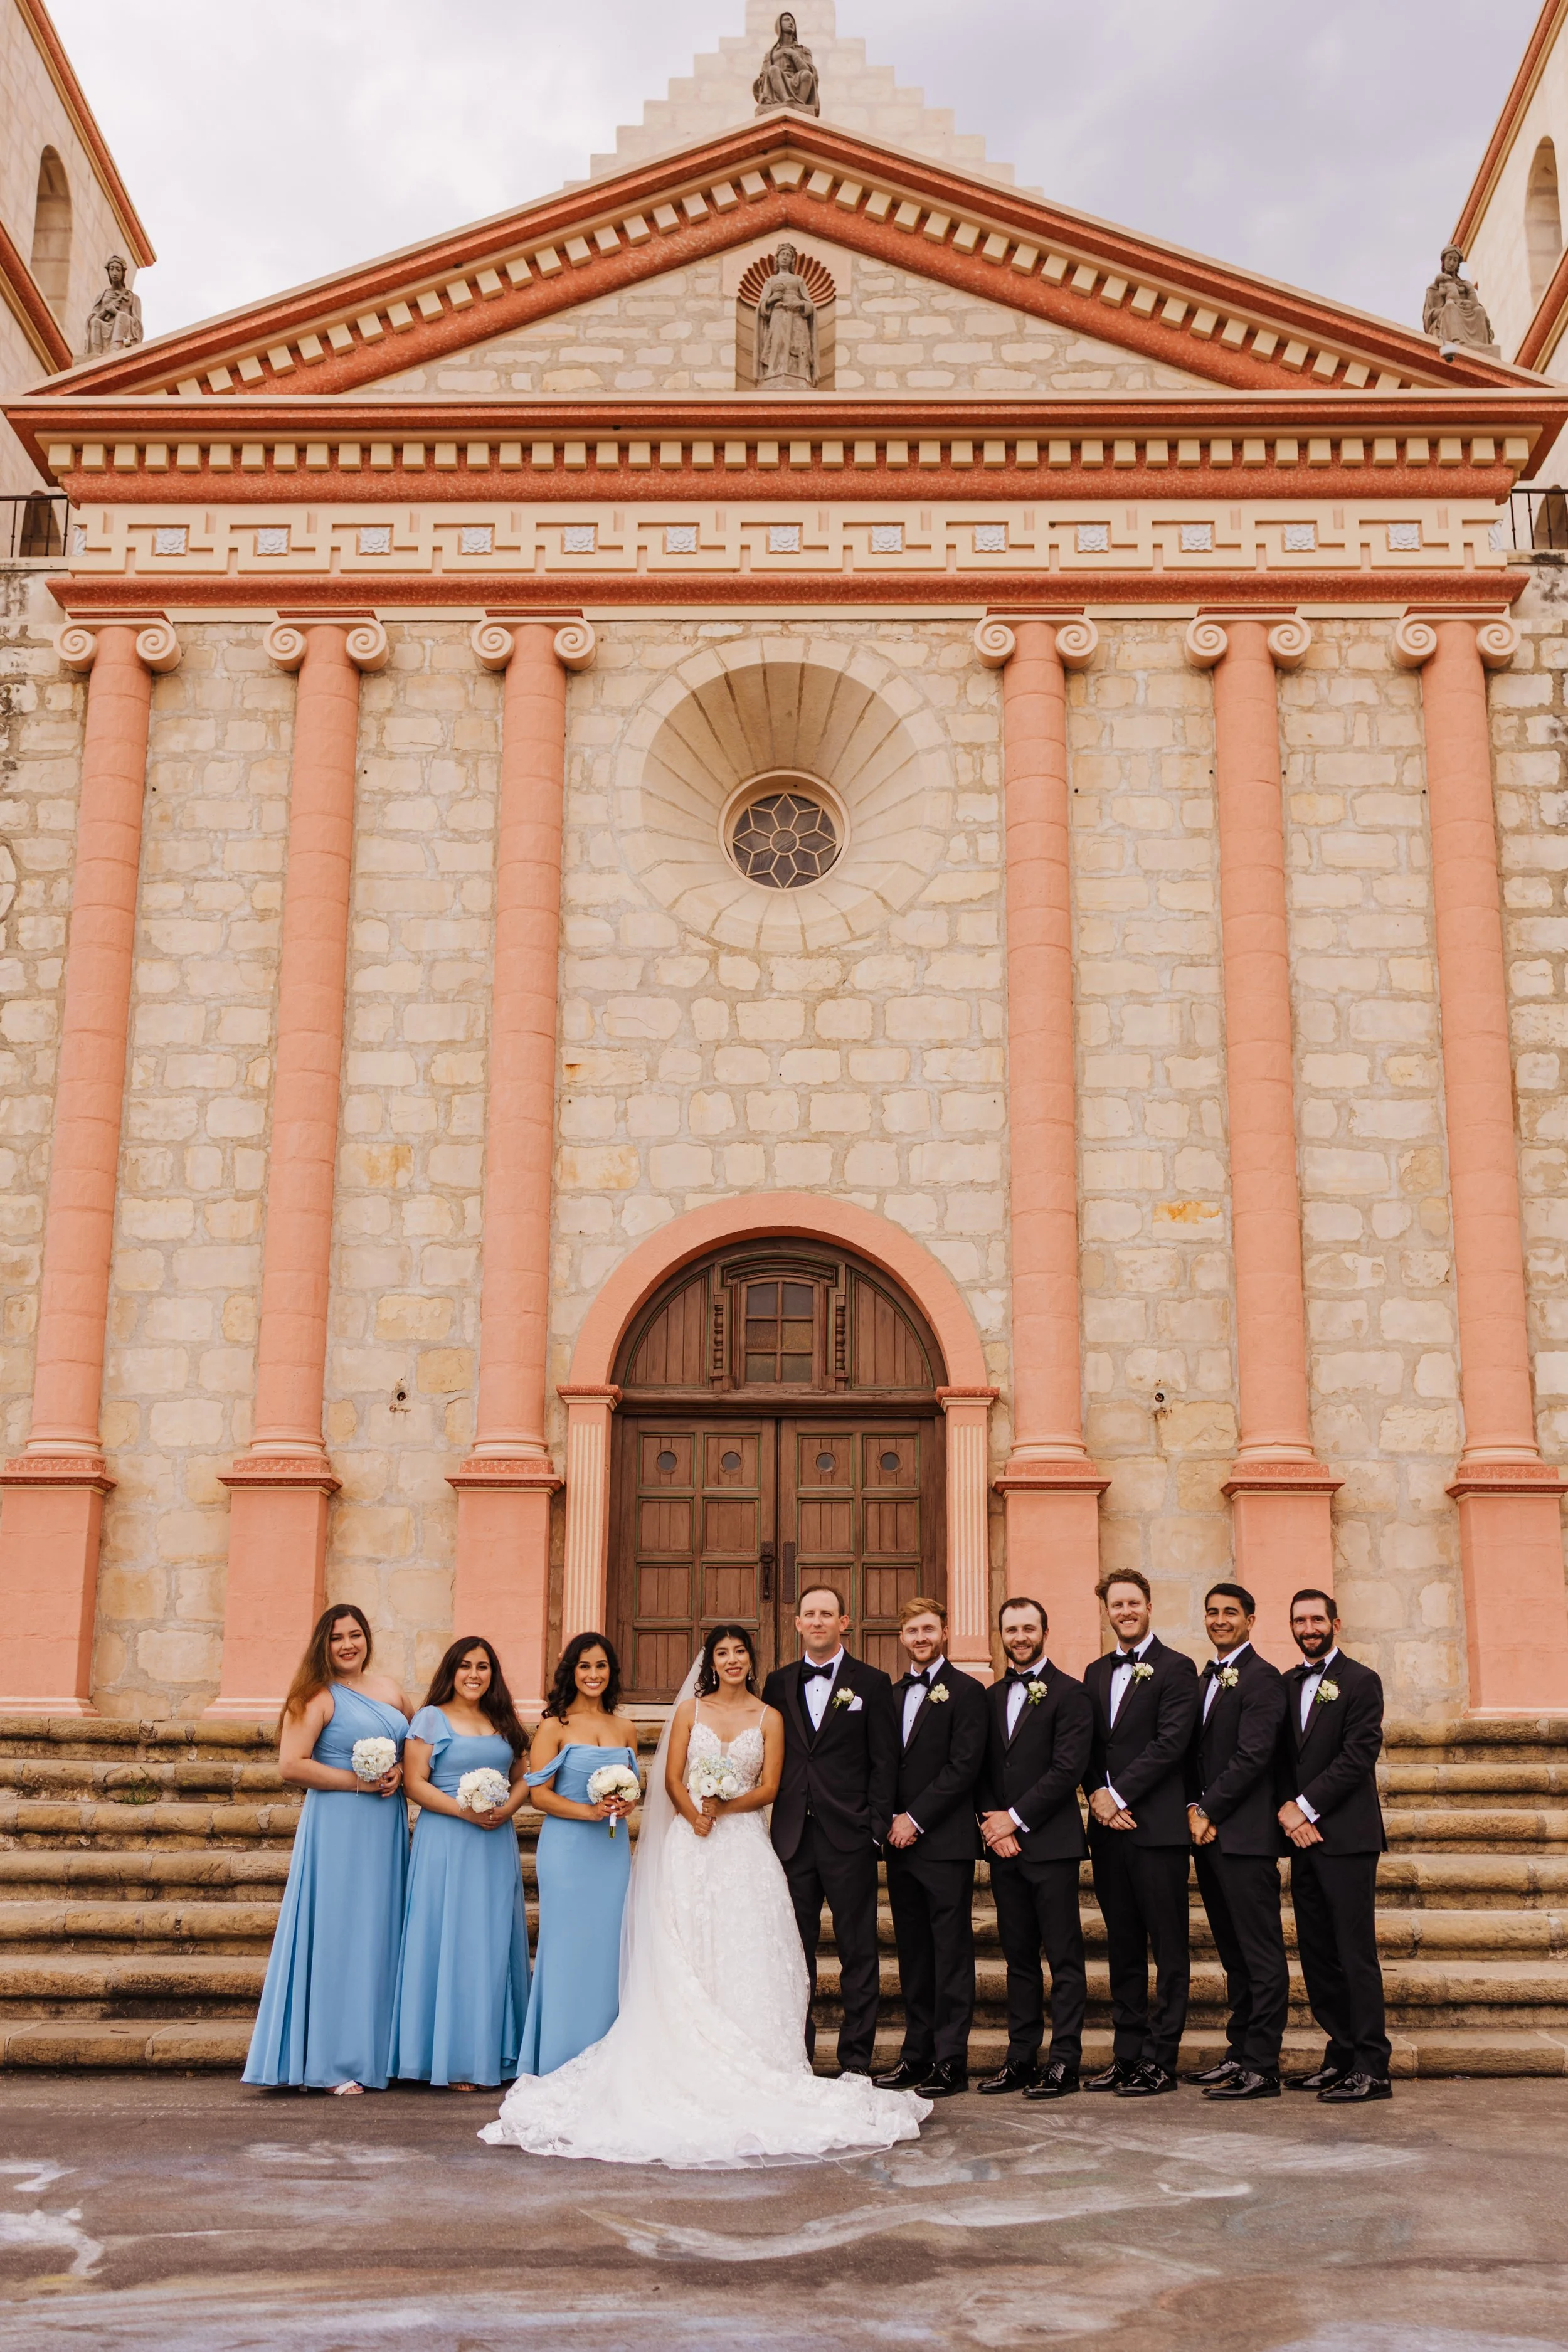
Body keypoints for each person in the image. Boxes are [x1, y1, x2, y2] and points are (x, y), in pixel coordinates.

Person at [480, 1626, 929, 2165]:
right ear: (711, 1662)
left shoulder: (770, 1717)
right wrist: (695, 1811)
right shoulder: (689, 1712)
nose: (732, 1660)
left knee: (747, 1948)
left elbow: (768, 1786)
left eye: (740, 1652)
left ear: (751, 1660)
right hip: (689, 1845)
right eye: (723, 1653)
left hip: (742, 1846)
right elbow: (670, 1778)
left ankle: (758, 2054)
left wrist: (724, 1806)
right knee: (685, 1942)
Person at [243, 1604, 412, 2095]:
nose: (347, 1645)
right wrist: (355, 1781)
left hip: (385, 1828)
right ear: (324, 1643)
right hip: (338, 1828)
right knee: (339, 1934)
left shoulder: (390, 1691)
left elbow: (415, 1747)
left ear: (367, 1639)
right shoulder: (313, 1696)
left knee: (379, 1933)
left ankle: (377, 2053)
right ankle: (333, 2062)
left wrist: (400, 1772)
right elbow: (291, 1765)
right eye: (337, 1637)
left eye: (355, 1635)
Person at [761, 1586, 898, 2077]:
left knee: (858, 1951)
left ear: (846, 1622)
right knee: (792, 1953)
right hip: (793, 1838)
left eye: (828, 1614)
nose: (818, 1621)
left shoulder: (875, 1682)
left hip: (850, 1837)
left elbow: (886, 1762)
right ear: (797, 1623)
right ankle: (795, 2054)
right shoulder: (777, 1684)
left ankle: (856, 2061)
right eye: (810, 1614)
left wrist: (876, 1826)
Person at [391, 1635, 531, 2092]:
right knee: (449, 1937)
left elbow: (524, 1776)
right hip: (447, 1841)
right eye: (466, 1666)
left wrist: (508, 1809)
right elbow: (415, 1782)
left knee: (490, 1941)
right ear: (451, 1671)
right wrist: (462, 1811)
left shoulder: (503, 1719)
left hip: (494, 1841)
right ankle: (452, 2058)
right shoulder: (431, 1718)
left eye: (484, 1666)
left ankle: (493, 2049)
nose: (475, 1674)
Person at [1080, 1569, 1199, 2097]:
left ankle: (1161, 2058)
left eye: (1132, 1602)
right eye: (1116, 1604)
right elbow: (1085, 1747)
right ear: (1106, 1611)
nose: (1124, 1611)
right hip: (1108, 1833)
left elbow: (1172, 1743)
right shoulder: (1093, 1672)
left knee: (1168, 1948)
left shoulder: (1177, 1668)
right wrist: (1097, 1799)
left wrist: (1118, 1796)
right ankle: (1127, 2054)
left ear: (1148, 1605)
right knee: (1122, 1947)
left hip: (1156, 1830)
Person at [1277, 1589, 1392, 2103]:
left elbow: (1358, 1754)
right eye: (1300, 1620)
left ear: (1335, 1624)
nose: (1309, 1627)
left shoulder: (1361, 1681)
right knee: (1317, 1953)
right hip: (1302, 1840)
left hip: (1346, 1838)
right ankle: (1342, 2054)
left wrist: (1307, 1806)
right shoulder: (1284, 1685)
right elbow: (1277, 1759)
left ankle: (1373, 2067)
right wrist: (1289, 1811)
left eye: (1317, 1619)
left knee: (1354, 1954)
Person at [977, 1596, 1093, 2101]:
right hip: (1004, 1851)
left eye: (1028, 1628)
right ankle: (1020, 2057)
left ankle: (1065, 2061)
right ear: (1000, 1634)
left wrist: (1015, 1820)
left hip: (1052, 1846)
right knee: (1018, 1959)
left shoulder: (1071, 1694)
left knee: (1064, 1958)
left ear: (1045, 1631)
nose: (1020, 1637)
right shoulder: (990, 1696)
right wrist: (992, 1826)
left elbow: (1067, 1770)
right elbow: (979, 1768)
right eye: (1011, 1629)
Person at [873, 1596, 986, 2100]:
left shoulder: (967, 1692)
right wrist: (886, 1826)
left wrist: (914, 1820)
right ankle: (915, 2054)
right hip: (900, 1848)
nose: (920, 1638)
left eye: (928, 1629)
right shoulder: (892, 1694)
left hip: (944, 1843)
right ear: (902, 1637)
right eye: (912, 1630)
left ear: (944, 1632)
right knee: (914, 1956)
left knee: (951, 1955)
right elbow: (881, 1766)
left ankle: (951, 2060)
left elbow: (964, 1768)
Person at [512, 1632, 639, 2077]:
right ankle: (560, 2055)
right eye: (585, 1666)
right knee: (567, 1947)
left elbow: (633, 1788)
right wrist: (588, 1812)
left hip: (611, 1852)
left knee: (609, 1947)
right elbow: (538, 1796)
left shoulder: (625, 1728)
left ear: (611, 1673)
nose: (593, 1675)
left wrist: (627, 1805)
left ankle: (605, 2051)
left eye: (601, 1666)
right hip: (567, 1851)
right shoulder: (554, 1727)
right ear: (572, 1671)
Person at [1185, 1581, 1290, 2100]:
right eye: (1212, 1612)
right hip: (1209, 1838)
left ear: (1250, 1619)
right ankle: (1239, 2051)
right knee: (1233, 1956)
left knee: (1261, 1953)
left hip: (1246, 1837)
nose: (1220, 1620)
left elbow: (1254, 1756)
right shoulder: (1209, 1677)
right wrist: (1192, 1810)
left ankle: (1263, 2066)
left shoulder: (1263, 1679)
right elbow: (1196, 1756)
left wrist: (1208, 1810)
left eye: (1230, 1612)